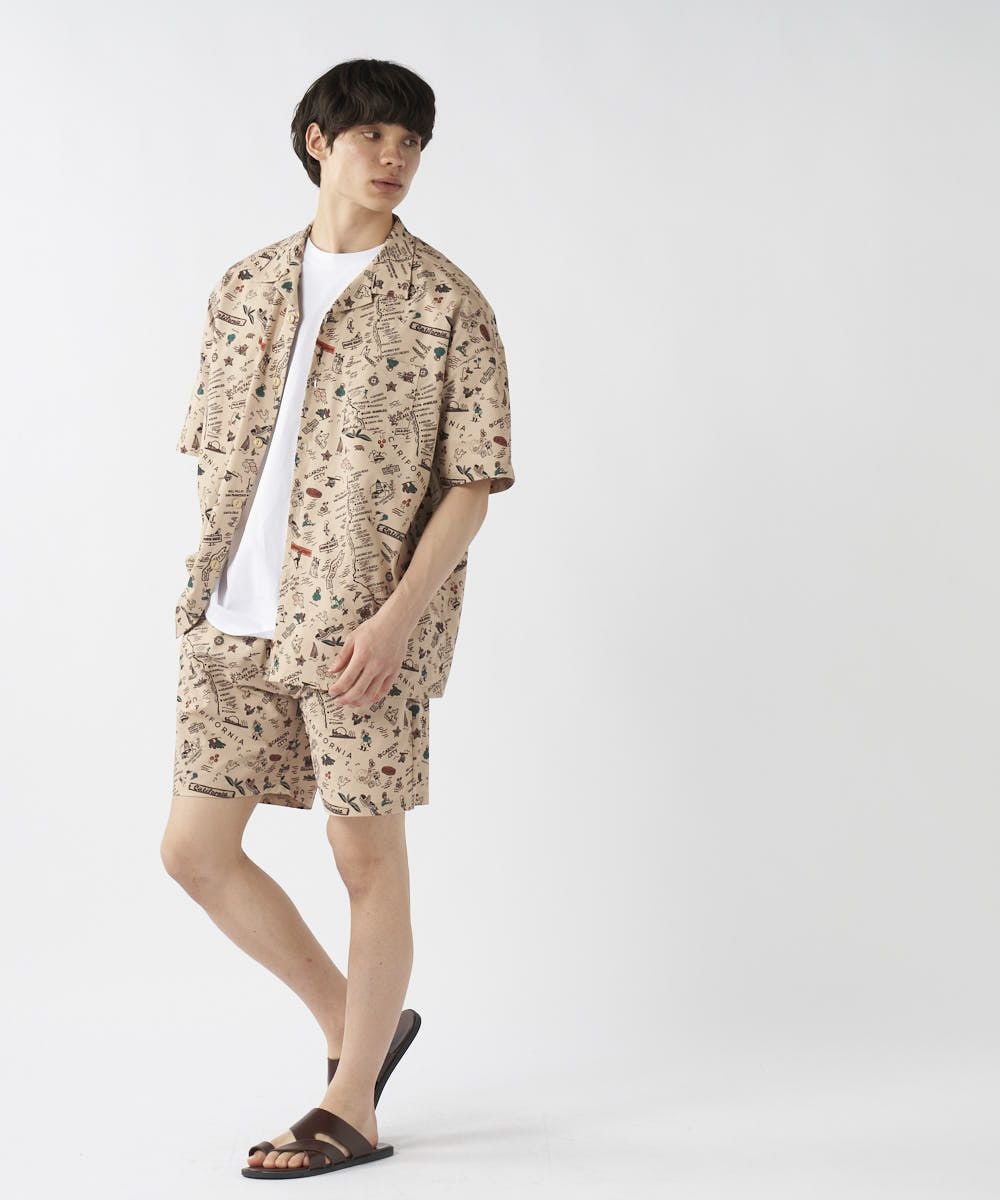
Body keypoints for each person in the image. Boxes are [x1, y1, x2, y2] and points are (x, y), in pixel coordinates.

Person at [159, 58, 515, 1181]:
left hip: (364, 634)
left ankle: (350, 1104)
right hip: (233, 618)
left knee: (363, 855)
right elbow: (213, 448)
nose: (394, 158)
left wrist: (400, 620)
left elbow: (472, 483)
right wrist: (218, 578)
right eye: (372, 137)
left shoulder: (447, 303)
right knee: (193, 852)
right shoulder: (244, 286)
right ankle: (355, 1022)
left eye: (410, 142)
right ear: (319, 141)